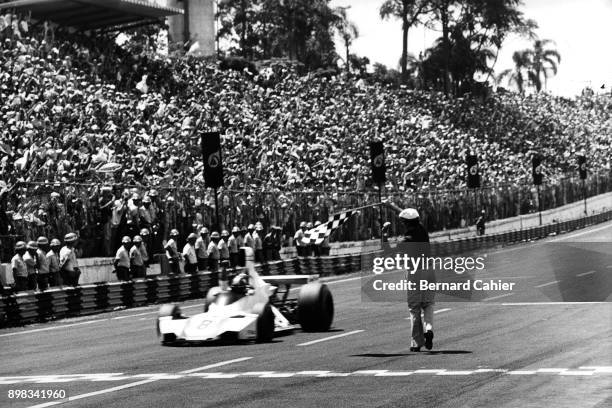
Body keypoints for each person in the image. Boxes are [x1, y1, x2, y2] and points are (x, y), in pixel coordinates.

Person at [386, 202, 434, 352]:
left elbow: (388, 251)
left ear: (405, 224)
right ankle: (429, 328)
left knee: (414, 309)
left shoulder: (405, 240)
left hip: (414, 272)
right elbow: (410, 215)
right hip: (429, 270)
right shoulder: (423, 231)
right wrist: (392, 206)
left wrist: (384, 234)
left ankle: (416, 343)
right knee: (428, 305)